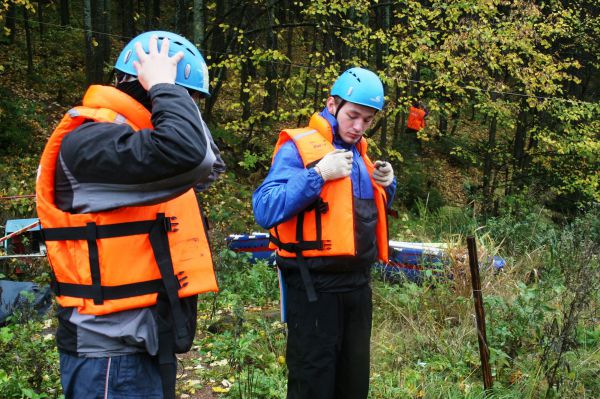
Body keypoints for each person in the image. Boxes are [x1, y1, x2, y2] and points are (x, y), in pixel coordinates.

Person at [36, 31, 224, 399]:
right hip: (108, 354)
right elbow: (190, 153)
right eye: (189, 103)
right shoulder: (90, 143)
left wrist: (168, 93)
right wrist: (165, 87)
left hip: (143, 341)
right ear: (147, 89)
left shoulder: (131, 142)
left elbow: (208, 164)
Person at [253, 67, 396, 399]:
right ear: (332, 105)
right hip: (313, 286)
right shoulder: (298, 147)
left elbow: (357, 214)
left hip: (358, 286)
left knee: (353, 382)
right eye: (353, 116)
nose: (359, 127)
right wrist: (318, 174)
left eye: (368, 120)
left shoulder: (362, 153)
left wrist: (389, 185)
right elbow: (265, 207)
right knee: (313, 382)